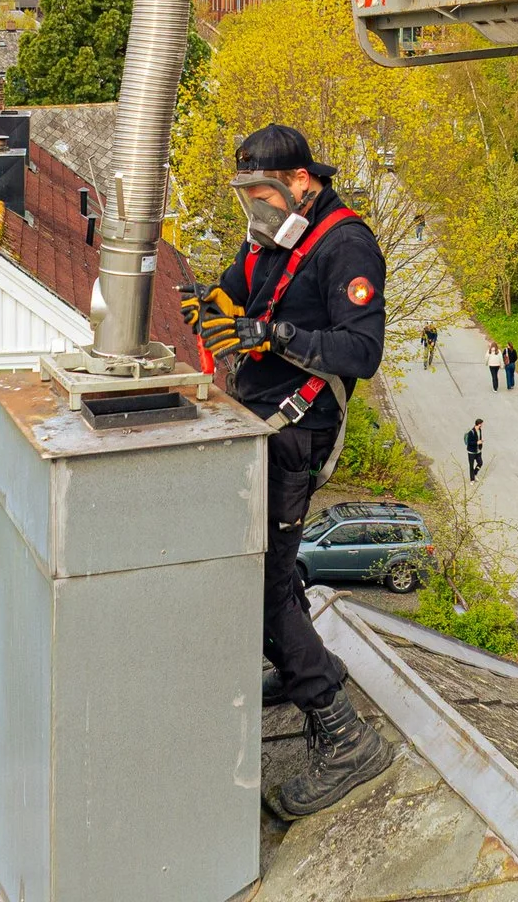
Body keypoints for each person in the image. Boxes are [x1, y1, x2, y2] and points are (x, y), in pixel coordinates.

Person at [181, 123, 392, 819]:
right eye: (245, 194)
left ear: (301, 180)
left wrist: (274, 335)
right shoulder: (277, 236)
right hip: (263, 418)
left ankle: (342, 731)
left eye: (261, 191)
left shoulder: (344, 244)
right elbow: (239, 285)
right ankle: (302, 664)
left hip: (297, 428)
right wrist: (212, 301)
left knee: (261, 585)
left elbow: (360, 352)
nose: (253, 206)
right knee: (267, 566)